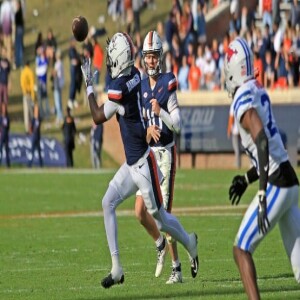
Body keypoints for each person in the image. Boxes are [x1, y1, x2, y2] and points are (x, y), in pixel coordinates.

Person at [80, 32, 198, 289]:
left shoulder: (122, 87)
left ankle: (189, 242)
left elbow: (98, 116)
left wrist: (89, 84)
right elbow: (116, 78)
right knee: (107, 202)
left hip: (145, 164)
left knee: (161, 217)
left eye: (112, 55)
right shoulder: (134, 75)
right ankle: (116, 268)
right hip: (131, 164)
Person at [224, 37, 300, 299]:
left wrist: (262, 193)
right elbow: (266, 153)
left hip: (277, 184)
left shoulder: (243, 97)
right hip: (290, 181)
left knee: (241, 249)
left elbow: (262, 141)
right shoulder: (256, 88)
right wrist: (247, 179)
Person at [134, 30, 183, 284]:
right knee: (139, 211)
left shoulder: (168, 82)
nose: (151, 61)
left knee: (163, 215)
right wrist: (146, 131)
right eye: (148, 57)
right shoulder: (141, 85)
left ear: (160, 57)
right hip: (148, 154)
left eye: (154, 57)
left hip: (165, 154)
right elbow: (140, 125)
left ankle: (177, 267)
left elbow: (178, 124)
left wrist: (160, 112)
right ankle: (160, 244)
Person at [20, 61, 35, 133]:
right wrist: (33, 95)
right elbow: (32, 84)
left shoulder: (23, 72)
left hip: (25, 94)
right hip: (29, 94)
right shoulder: (30, 72)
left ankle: (27, 128)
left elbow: (22, 83)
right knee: (31, 112)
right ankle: (32, 127)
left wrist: (24, 91)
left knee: (26, 112)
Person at [227, 104, 241, 169]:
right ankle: (252, 164)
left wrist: (229, 130)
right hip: (242, 131)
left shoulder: (233, 105)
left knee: (237, 150)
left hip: (235, 131)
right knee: (248, 148)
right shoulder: (241, 104)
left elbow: (231, 118)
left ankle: (237, 165)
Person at [0, 103, 10, 167]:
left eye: (5, 108)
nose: (4, 109)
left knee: (7, 150)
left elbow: (8, 127)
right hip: (1, 136)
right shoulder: (0, 117)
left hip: (6, 136)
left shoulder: (7, 117)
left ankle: (8, 164)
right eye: (3, 108)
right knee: (0, 150)